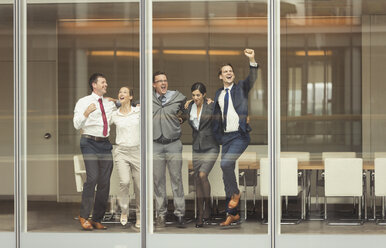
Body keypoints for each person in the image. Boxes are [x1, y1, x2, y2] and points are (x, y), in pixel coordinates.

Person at [212, 48, 259, 226]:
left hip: (240, 136)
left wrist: (252, 59)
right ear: (220, 76)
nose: (229, 73)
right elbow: (215, 114)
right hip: (226, 138)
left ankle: (236, 194)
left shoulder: (240, 88)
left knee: (225, 164)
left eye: (230, 71)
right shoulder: (218, 94)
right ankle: (232, 214)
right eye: (225, 72)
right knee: (226, 175)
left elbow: (253, 78)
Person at [73, 73, 116, 230]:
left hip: (105, 144)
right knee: (92, 178)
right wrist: (86, 113)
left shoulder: (109, 103)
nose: (106, 85)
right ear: (94, 85)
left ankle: (97, 218)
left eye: (106, 82)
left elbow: (124, 104)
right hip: (89, 142)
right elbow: (77, 125)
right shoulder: (83, 102)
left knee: (104, 182)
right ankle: (84, 216)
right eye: (103, 82)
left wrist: (117, 101)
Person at [152, 71, 187, 228]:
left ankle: (180, 214)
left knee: (176, 179)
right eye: (159, 81)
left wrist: (182, 118)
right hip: (155, 144)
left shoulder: (177, 96)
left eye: (165, 80)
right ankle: (161, 214)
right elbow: (128, 103)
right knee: (158, 180)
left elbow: (189, 107)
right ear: (154, 85)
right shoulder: (148, 99)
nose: (163, 83)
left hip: (173, 143)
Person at [185, 82, 219, 228]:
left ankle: (208, 206)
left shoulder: (211, 106)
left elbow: (223, 109)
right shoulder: (188, 107)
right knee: (197, 180)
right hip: (196, 147)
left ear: (204, 95)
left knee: (202, 175)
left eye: (198, 95)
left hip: (211, 146)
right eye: (193, 95)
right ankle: (200, 215)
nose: (195, 97)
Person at [110, 86, 141, 229]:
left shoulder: (139, 111)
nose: (121, 93)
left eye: (125, 92)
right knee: (124, 182)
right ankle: (124, 211)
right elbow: (102, 120)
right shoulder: (114, 114)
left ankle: (140, 215)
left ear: (130, 97)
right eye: (120, 91)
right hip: (121, 152)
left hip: (137, 151)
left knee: (140, 186)